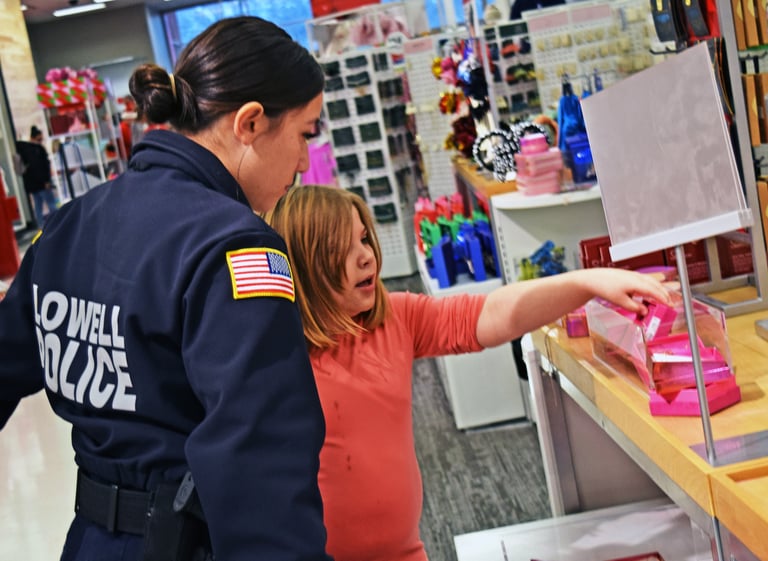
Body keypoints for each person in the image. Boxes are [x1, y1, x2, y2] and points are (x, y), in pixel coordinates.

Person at [0, 17, 332, 561]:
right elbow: (260, 466)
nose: (302, 161)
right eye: (304, 134)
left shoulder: (69, 225)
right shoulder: (237, 249)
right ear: (250, 122)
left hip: (88, 544)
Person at [265, 184, 672, 561]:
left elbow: (492, 313)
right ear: (307, 263)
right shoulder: (279, 357)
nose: (366, 255)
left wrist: (588, 282)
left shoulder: (393, 320)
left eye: (364, 238)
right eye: (343, 247)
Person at [15, 125, 58, 227]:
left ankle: (40, 226)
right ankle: (58, 223)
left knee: (38, 206)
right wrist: (46, 181)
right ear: (37, 136)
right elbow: (40, 167)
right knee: (51, 204)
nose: (42, 138)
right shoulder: (38, 150)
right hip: (42, 183)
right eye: (40, 136)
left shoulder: (24, 148)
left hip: (32, 184)